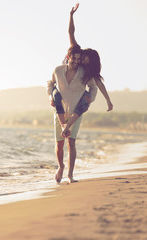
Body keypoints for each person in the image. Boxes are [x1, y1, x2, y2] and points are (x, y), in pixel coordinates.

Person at [53, 3, 113, 138]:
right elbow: (71, 32)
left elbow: (99, 83)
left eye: (86, 62)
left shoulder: (86, 68)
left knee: (83, 102)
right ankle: (64, 127)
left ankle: (66, 128)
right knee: (56, 95)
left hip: (73, 92)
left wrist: (108, 100)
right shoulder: (76, 50)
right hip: (61, 81)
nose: (81, 62)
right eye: (84, 58)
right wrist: (71, 15)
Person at [47, 45, 97, 183]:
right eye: (73, 58)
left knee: (71, 143)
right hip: (59, 113)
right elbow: (51, 83)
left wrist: (89, 99)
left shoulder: (84, 73)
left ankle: (70, 175)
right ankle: (60, 167)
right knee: (59, 144)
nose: (76, 61)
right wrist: (50, 97)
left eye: (78, 59)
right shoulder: (58, 70)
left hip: (76, 113)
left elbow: (93, 87)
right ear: (68, 57)